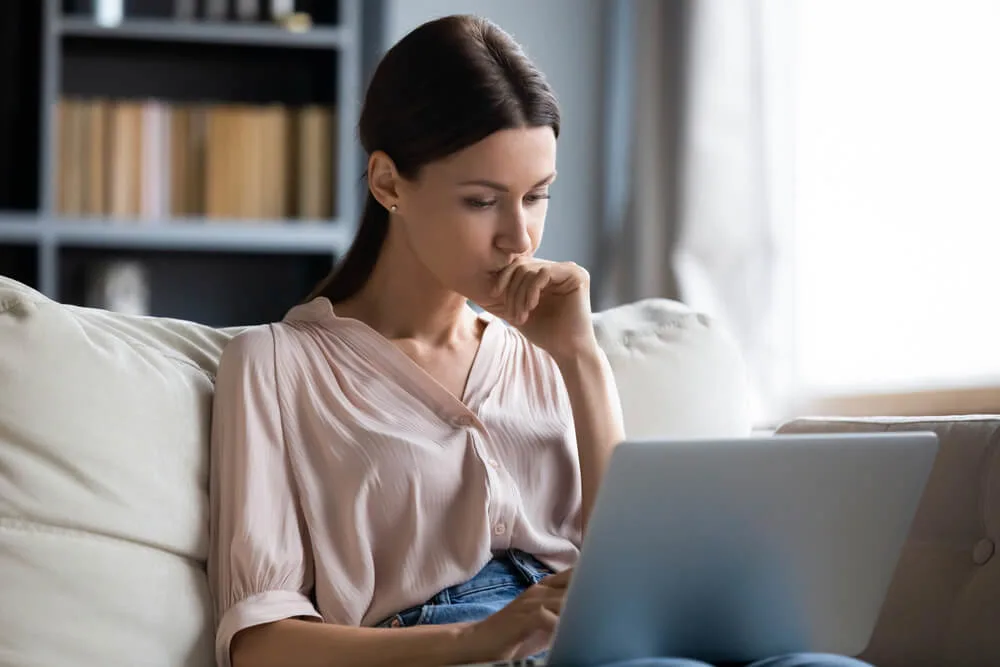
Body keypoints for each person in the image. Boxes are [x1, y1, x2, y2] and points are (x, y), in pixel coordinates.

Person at [207, 14, 873, 667]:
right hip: (445, 648)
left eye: (537, 195)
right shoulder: (274, 364)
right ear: (388, 182)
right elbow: (262, 642)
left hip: (591, 641)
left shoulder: (546, 349)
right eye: (482, 200)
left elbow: (634, 570)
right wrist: (480, 638)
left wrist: (581, 359)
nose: (519, 237)